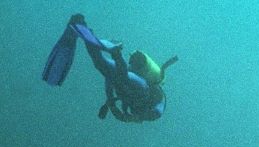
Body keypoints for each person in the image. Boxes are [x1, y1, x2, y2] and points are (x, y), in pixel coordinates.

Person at [42, 14, 178, 123]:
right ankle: (116, 52)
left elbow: (110, 80)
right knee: (121, 76)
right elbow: (159, 112)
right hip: (142, 88)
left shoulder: (131, 107)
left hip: (124, 84)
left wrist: (112, 106)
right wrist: (137, 118)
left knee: (100, 64)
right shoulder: (156, 100)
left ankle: (82, 26)